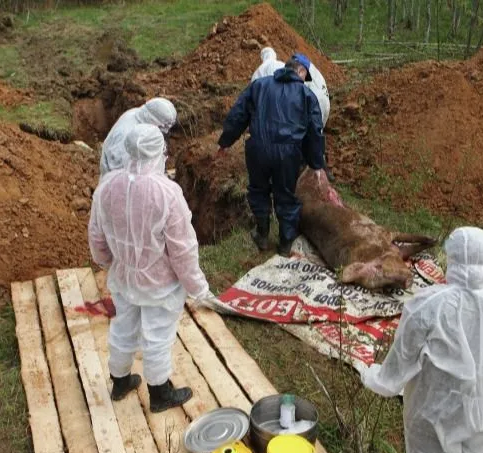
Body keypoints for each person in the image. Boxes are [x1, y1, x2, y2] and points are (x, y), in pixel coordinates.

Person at [361, 227, 483, 453]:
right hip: (482, 409)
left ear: (451, 258)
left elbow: (400, 363)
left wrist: (373, 376)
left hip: (435, 408)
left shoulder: (429, 305)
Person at [88, 123, 212, 413]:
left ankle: (120, 381)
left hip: (124, 277)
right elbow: (182, 249)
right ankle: (159, 393)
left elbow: (97, 235)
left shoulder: (107, 186)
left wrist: (109, 263)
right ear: (161, 152)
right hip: (160, 283)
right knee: (157, 336)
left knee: (122, 328)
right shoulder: (167, 193)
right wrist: (198, 288)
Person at [217, 53, 325, 257]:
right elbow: (315, 132)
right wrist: (316, 164)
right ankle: (285, 244)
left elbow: (238, 114)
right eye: (305, 76)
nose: (304, 81)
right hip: (288, 152)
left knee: (259, 190)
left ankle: (262, 235)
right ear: (301, 71)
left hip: (257, 148)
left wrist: (225, 142)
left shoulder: (258, 85)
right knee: (286, 195)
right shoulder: (306, 95)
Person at [99, 97, 177, 177]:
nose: (165, 130)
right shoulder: (127, 135)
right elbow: (121, 171)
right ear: (153, 119)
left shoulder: (138, 114)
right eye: (162, 126)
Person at [303, 64, 335, 183]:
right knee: (316, 134)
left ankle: (320, 168)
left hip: (316, 106)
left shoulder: (305, 77)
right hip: (323, 105)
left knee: (313, 136)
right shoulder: (315, 74)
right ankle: (320, 167)